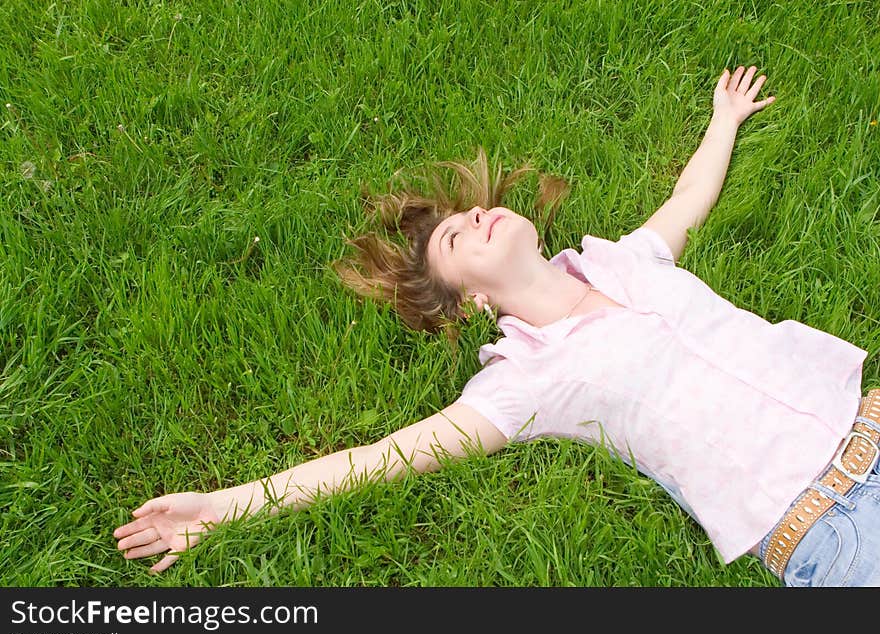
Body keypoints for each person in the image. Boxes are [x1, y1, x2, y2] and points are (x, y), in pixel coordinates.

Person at [114, 65, 880, 586]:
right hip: (830, 528)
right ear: (470, 300)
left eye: (470, 212)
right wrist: (222, 506)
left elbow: (686, 202)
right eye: (457, 238)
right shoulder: (522, 382)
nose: (477, 214)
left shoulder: (626, 262)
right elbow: (378, 457)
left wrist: (723, 119)